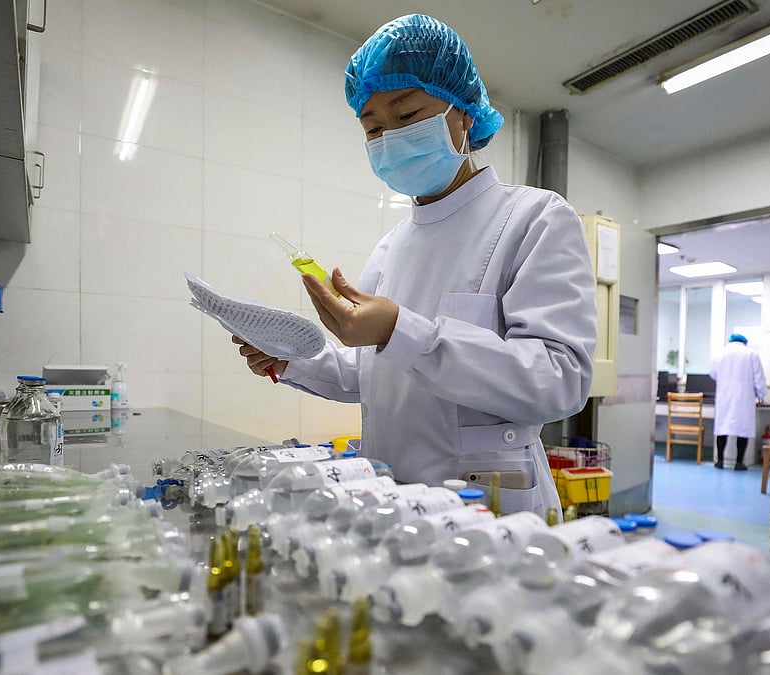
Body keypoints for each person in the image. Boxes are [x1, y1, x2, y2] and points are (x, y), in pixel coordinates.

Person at [234, 14, 597, 519]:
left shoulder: (534, 218)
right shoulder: (392, 245)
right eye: (375, 127)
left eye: (406, 116)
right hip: (391, 500)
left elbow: (560, 381)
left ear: (464, 113)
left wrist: (402, 331)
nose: (390, 139)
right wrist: (289, 360)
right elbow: (380, 377)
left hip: (490, 507)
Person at [709, 333, 767, 470]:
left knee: (722, 428)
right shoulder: (751, 353)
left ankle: (720, 461)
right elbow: (758, 377)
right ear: (744, 342)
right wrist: (761, 394)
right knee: (743, 430)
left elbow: (712, 374)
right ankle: (739, 462)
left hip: (725, 396)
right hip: (744, 397)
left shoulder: (720, 353)